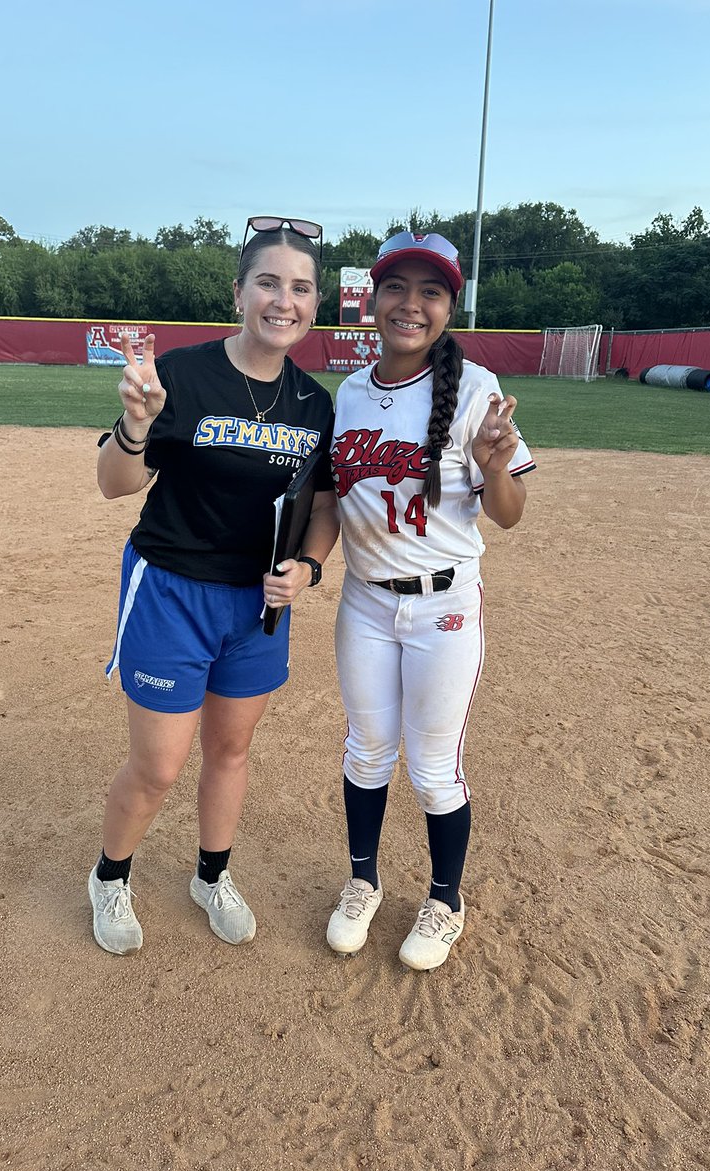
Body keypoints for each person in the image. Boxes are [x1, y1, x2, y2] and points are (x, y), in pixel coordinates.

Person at [88, 216, 339, 956]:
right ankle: (109, 877)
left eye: (299, 287)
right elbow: (114, 484)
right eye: (268, 282)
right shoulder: (185, 373)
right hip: (172, 590)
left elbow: (322, 508)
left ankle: (211, 875)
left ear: (315, 304)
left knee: (230, 751)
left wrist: (310, 566)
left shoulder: (313, 404)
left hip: (257, 605)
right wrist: (135, 426)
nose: (282, 300)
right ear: (239, 292)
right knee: (159, 764)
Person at [327, 231, 536, 971]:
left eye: (431, 292)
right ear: (371, 299)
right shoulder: (349, 393)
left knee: (434, 766)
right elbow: (330, 500)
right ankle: (362, 881)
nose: (410, 304)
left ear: (449, 307)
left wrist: (495, 466)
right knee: (366, 749)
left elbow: (508, 514)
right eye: (396, 287)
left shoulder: (477, 390)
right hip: (364, 604)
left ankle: (446, 900)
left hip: (445, 607)